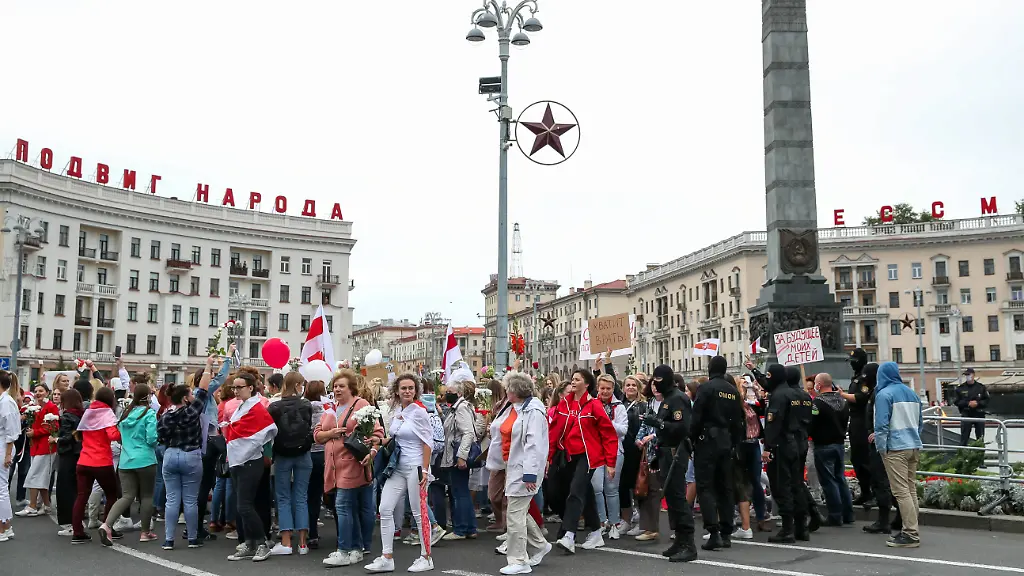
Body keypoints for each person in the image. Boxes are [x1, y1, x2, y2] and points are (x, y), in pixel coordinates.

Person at [364, 373, 435, 573]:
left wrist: (425, 470)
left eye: (411, 388)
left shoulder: (419, 412)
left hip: (415, 467)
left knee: (419, 513)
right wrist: (379, 441)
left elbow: (427, 442)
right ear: (396, 390)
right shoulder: (398, 410)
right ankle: (387, 557)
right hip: (397, 467)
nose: (407, 391)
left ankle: (426, 557)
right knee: (385, 508)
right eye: (403, 388)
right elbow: (396, 438)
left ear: (416, 390)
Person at [548, 369, 618, 554]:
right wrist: (549, 456)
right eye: (572, 379)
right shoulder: (565, 403)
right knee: (563, 492)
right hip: (566, 455)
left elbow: (609, 434)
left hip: (587, 456)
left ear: (586, 384)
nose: (573, 382)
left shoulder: (594, 405)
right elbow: (554, 431)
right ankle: (595, 531)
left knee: (576, 491)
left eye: (577, 379)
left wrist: (610, 463)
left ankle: (569, 534)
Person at [319, 369, 384, 567]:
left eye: (341, 386)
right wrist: (330, 433)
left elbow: (377, 433)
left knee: (344, 506)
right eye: (335, 386)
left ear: (351, 388)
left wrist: (372, 452)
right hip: (333, 466)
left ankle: (344, 550)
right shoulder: (331, 407)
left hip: (353, 463)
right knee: (352, 508)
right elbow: (317, 434)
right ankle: (356, 548)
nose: (337, 389)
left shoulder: (361, 405)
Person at [495, 371, 552, 575]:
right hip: (515, 466)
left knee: (515, 514)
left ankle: (519, 559)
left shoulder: (533, 411)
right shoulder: (518, 408)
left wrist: (529, 474)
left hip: (524, 469)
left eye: (508, 389)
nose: (505, 392)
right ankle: (539, 545)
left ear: (514, 391)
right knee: (519, 511)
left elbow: (533, 444)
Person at [642, 365, 697, 563]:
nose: (655, 384)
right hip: (666, 451)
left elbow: (682, 427)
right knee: (672, 500)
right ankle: (680, 541)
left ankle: (689, 544)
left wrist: (658, 423)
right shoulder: (667, 399)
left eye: (658, 380)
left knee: (677, 498)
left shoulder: (677, 398)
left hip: (676, 451)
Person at [157, 357, 213, 550]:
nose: (193, 396)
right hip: (191, 455)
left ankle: (169, 539)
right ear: (184, 398)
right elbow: (203, 390)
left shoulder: (165, 416)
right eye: (190, 394)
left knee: (171, 500)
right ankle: (192, 538)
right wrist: (208, 366)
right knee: (190, 500)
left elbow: (161, 438)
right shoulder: (191, 412)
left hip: (171, 455)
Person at [690, 356, 745, 551]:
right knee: (725, 488)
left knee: (706, 487)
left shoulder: (706, 388)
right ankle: (726, 532)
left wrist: (691, 439)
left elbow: (696, 417)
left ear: (710, 368)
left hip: (707, 441)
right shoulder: (733, 391)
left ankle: (713, 532)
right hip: (726, 442)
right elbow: (739, 421)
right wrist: (735, 444)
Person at [223, 370, 278, 562]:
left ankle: (262, 543)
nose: (236, 391)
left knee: (245, 506)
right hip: (238, 460)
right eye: (234, 387)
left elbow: (262, 434)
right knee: (242, 506)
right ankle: (249, 543)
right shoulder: (243, 406)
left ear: (251, 388)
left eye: (239, 387)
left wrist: (235, 435)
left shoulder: (256, 408)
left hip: (249, 461)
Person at [873, 362, 923, 548]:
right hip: (913, 445)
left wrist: (881, 448)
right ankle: (911, 528)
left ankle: (910, 533)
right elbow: (920, 423)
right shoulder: (912, 394)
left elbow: (881, 425)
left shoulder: (884, 394)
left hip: (895, 448)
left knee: (901, 491)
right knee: (910, 489)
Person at [102, 383, 159, 544]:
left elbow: (120, 438)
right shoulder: (149, 413)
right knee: (146, 496)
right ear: (148, 397)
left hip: (126, 461)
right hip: (145, 459)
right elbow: (151, 438)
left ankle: (106, 525)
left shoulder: (126, 414)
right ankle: (145, 532)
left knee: (127, 496)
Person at [762, 364, 810, 544]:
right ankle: (801, 527)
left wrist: (768, 447)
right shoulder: (801, 395)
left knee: (782, 486)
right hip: (799, 442)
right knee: (797, 485)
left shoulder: (779, 396)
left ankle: (787, 529)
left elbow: (774, 424)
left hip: (782, 445)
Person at [267, 371, 314, 556]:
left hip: (283, 453)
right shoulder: (306, 404)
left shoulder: (274, 406)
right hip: (303, 453)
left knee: (283, 496)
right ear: (297, 385)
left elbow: (270, 432)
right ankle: (303, 543)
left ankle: (286, 542)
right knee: (301, 496)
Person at [73, 387, 122, 545]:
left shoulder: (89, 411)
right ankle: (108, 527)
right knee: (112, 494)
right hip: (101, 461)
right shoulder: (107, 413)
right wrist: (121, 429)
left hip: (83, 460)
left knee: (82, 496)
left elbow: (80, 433)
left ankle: (77, 532)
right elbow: (113, 435)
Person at [810, 373, 854, 526]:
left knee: (829, 482)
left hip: (823, 445)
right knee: (840, 479)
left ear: (819, 385)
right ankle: (848, 514)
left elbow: (812, 423)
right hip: (839, 444)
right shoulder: (843, 401)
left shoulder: (817, 403)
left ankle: (835, 516)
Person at [440, 376, 480, 541]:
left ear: (459, 393)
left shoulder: (461, 408)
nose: (447, 394)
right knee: (461, 491)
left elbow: (468, 433)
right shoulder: (458, 408)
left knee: (460, 492)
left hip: (457, 455)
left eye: (450, 392)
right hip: (455, 454)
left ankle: (461, 529)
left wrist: (461, 456)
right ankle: (469, 528)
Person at [861, 363, 898, 536]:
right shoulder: (893, 391)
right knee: (893, 482)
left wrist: (878, 435)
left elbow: (881, 418)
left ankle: (883, 521)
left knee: (881, 481)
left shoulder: (880, 393)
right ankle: (899, 517)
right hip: (895, 442)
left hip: (881, 443)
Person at [592, 374, 627, 539]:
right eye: (602, 388)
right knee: (596, 487)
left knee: (611, 488)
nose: (605, 391)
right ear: (597, 388)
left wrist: (606, 422)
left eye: (608, 388)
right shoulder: (592, 404)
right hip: (596, 451)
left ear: (613, 389)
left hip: (615, 451)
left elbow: (623, 430)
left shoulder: (619, 407)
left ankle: (614, 523)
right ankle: (601, 521)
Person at [17, 383, 58, 517]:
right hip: (35, 446)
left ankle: (33, 506)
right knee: (41, 478)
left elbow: (53, 427)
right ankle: (46, 505)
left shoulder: (51, 407)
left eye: (41, 391)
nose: (38, 393)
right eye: (36, 391)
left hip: (46, 446)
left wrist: (35, 432)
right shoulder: (34, 407)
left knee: (33, 475)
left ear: (47, 392)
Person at [842, 348, 874, 507]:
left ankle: (873, 493)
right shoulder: (855, 378)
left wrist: (842, 395)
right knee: (856, 458)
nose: (851, 365)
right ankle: (865, 491)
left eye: (854, 362)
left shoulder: (865, 379)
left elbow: (861, 397)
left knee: (865, 458)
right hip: (854, 421)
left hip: (862, 421)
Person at [618, 375, 644, 536]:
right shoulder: (620, 405)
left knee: (638, 487)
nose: (631, 387)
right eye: (628, 385)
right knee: (622, 486)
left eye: (634, 385)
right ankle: (626, 520)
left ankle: (641, 521)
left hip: (638, 451)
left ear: (638, 387)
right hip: (622, 450)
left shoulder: (644, 406)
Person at [1, 371, 22, 542]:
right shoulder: (4, 401)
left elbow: (12, 431)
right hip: (2, 446)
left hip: (3, 447)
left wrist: (8, 454)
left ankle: (3, 528)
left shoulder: (6, 402)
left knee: (1, 489)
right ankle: (6, 526)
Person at [954, 368, 988, 446]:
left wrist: (977, 403)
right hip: (966, 413)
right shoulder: (961, 388)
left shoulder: (981, 387)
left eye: (969, 374)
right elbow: (957, 401)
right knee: (964, 437)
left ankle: (980, 451)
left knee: (980, 437)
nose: (968, 376)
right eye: (966, 375)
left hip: (979, 413)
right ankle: (962, 451)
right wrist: (967, 403)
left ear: (973, 375)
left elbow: (986, 400)